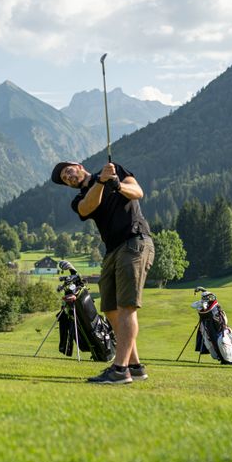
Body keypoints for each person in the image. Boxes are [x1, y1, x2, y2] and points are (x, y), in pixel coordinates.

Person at [51, 160, 155, 384]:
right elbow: (88, 207)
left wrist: (117, 184)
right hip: (112, 250)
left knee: (126, 307)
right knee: (110, 309)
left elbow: (137, 192)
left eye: (68, 171)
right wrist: (101, 181)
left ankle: (120, 370)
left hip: (134, 241)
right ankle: (135, 367)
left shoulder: (114, 169)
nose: (68, 177)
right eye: (65, 179)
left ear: (78, 165)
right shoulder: (80, 199)